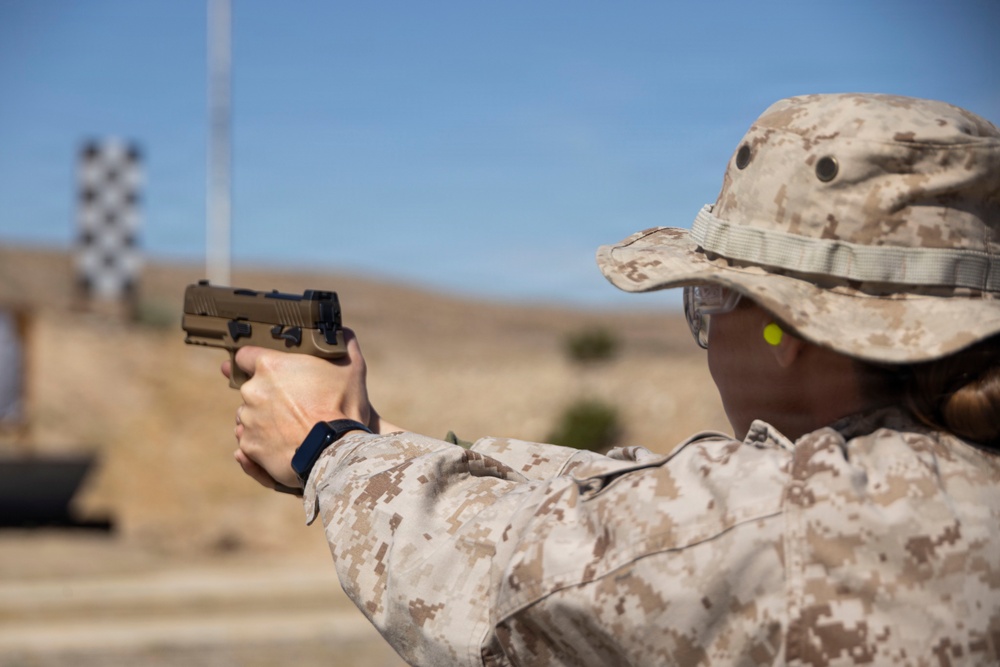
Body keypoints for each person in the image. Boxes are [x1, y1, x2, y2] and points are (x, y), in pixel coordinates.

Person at [224, 93, 1000, 666]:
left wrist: (327, 447)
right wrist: (379, 436)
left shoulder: (807, 521)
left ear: (786, 330)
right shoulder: (930, 477)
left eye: (710, 300)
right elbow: (628, 502)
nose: (704, 330)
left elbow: (499, 582)